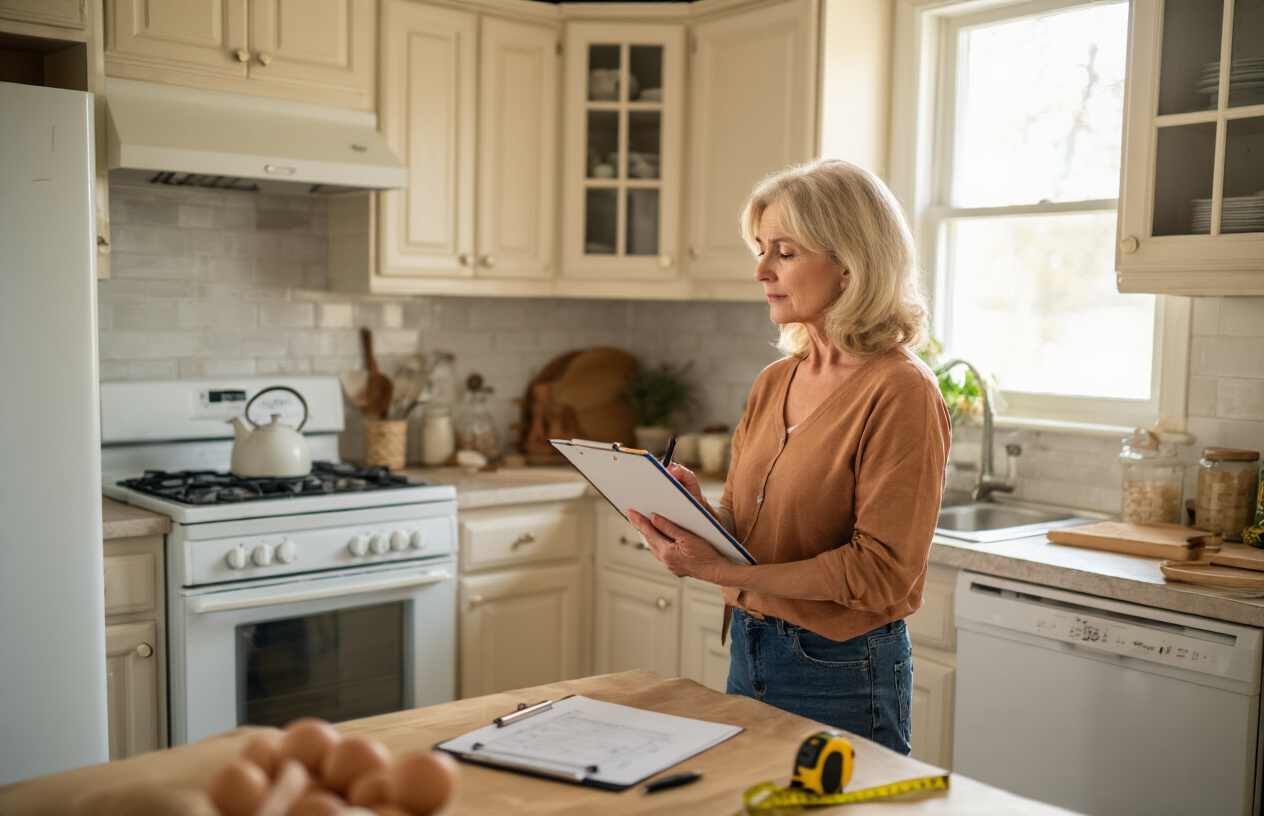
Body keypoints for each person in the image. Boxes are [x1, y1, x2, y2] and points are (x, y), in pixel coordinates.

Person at [627, 158, 951, 755]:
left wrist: (720, 572)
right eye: (760, 248)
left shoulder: (901, 391)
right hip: (751, 646)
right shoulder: (776, 380)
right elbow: (747, 530)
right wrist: (691, 514)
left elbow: (879, 571)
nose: (760, 270)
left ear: (851, 263)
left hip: (840, 670)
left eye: (784, 251)